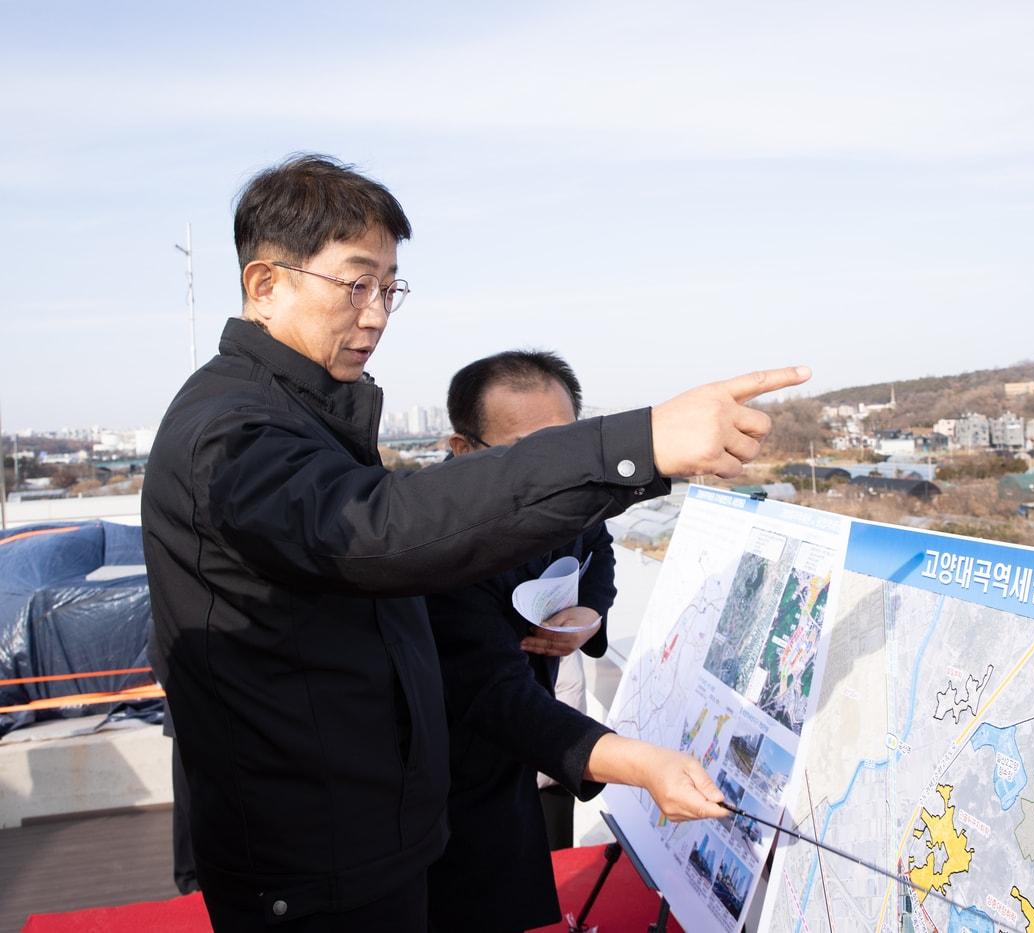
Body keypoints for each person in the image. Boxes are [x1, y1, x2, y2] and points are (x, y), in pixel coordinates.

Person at [141, 154, 807, 932]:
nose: (378, 312)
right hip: (314, 867)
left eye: (391, 287)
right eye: (355, 283)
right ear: (265, 284)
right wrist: (634, 443)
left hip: (373, 837)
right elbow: (381, 528)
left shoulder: (301, 416)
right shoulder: (233, 432)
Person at [425, 350, 622, 932]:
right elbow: (491, 696)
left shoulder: (577, 496)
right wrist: (634, 763)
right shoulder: (434, 538)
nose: (550, 473)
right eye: (522, 456)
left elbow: (600, 552)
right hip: (445, 767)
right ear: (461, 449)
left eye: (563, 450)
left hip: (522, 748)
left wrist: (591, 615)